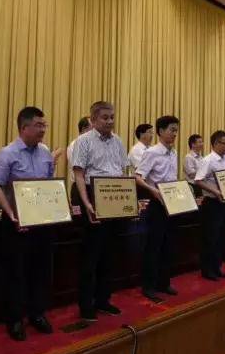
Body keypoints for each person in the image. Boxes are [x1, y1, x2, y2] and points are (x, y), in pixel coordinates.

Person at [0, 107, 55, 341]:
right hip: (15, 223)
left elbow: (49, 185)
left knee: (40, 270)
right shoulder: (7, 154)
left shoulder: (45, 153)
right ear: (24, 127)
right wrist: (11, 213)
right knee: (15, 273)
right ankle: (15, 319)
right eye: (39, 125)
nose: (43, 130)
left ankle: (37, 313)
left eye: (44, 125)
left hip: (41, 222)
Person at [71, 101, 128, 321]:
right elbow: (78, 174)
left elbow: (122, 172)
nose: (110, 121)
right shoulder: (83, 141)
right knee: (90, 257)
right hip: (92, 196)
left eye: (112, 117)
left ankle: (103, 300)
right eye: (105, 117)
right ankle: (86, 305)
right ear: (93, 119)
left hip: (114, 197)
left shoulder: (118, 141)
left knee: (110, 255)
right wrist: (86, 203)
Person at [135, 116, 180, 303]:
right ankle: (149, 286)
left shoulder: (174, 152)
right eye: (171, 130)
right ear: (160, 131)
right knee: (153, 247)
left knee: (168, 246)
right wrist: (153, 190)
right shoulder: (152, 152)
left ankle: (164, 282)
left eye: (176, 130)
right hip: (156, 205)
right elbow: (138, 177)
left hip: (172, 203)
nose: (175, 134)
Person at [194, 130, 225, 280]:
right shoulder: (208, 160)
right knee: (210, 238)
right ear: (215, 143)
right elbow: (198, 180)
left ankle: (217, 267)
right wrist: (215, 191)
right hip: (212, 203)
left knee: (222, 237)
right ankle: (207, 271)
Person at [67, 116, 92, 183]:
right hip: (81, 184)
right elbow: (80, 170)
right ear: (84, 129)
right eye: (93, 128)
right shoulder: (74, 145)